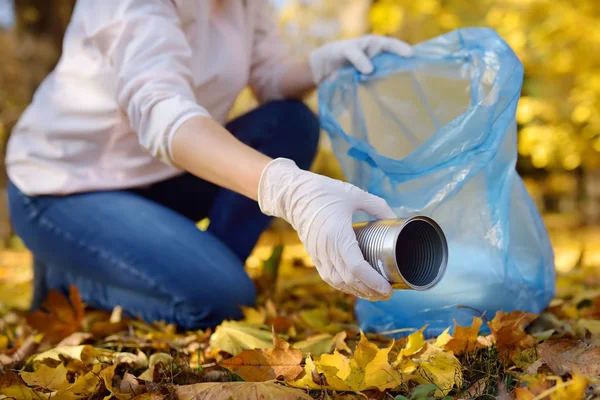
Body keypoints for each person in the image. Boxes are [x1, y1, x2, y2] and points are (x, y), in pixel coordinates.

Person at [6, 0, 414, 329]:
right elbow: (162, 114)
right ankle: (69, 278)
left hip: (158, 177)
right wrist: (290, 190)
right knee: (218, 299)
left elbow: (268, 77)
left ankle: (201, 270)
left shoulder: (244, 5)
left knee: (290, 121)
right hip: (63, 188)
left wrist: (322, 64)